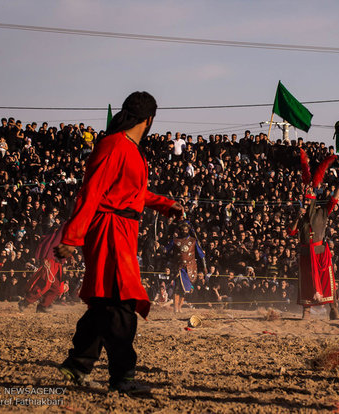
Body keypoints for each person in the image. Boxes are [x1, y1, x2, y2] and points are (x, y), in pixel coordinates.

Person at [54, 91, 184, 394]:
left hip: (122, 229)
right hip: (109, 229)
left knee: (105, 301)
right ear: (150, 119)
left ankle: (76, 366)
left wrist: (165, 204)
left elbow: (131, 192)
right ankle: (123, 377)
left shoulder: (129, 148)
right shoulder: (114, 145)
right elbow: (92, 191)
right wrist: (72, 238)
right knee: (122, 301)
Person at [288, 150, 339, 320]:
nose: (306, 203)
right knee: (306, 284)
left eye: (308, 200)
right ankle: (306, 312)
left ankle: (333, 309)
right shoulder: (300, 217)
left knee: (328, 282)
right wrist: (298, 217)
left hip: (321, 253)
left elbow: (334, 199)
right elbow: (291, 232)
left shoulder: (322, 212)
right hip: (306, 254)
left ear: (313, 201)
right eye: (304, 200)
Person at [18, 224, 65, 313]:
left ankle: (44, 305)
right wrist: (45, 258)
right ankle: (26, 301)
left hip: (57, 263)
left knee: (56, 287)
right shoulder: (57, 233)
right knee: (44, 284)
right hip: (50, 260)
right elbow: (49, 246)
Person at [165, 222, 206, 313]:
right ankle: (176, 308)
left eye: (186, 230)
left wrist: (204, 267)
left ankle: (180, 307)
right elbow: (166, 249)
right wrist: (160, 249)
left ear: (188, 230)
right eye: (183, 230)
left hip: (190, 268)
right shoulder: (175, 240)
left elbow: (201, 255)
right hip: (179, 267)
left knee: (185, 289)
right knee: (177, 287)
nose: (184, 231)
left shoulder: (193, 241)